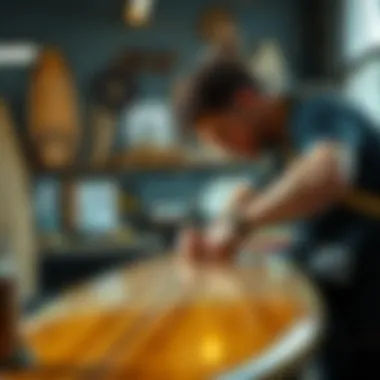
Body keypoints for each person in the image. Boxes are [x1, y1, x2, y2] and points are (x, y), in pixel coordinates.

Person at [175, 56, 380, 380]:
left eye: (223, 133)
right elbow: (250, 198)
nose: (228, 150)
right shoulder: (283, 148)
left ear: (246, 101)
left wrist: (240, 225)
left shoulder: (316, 112)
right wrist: (212, 236)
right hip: (348, 308)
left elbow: (327, 172)